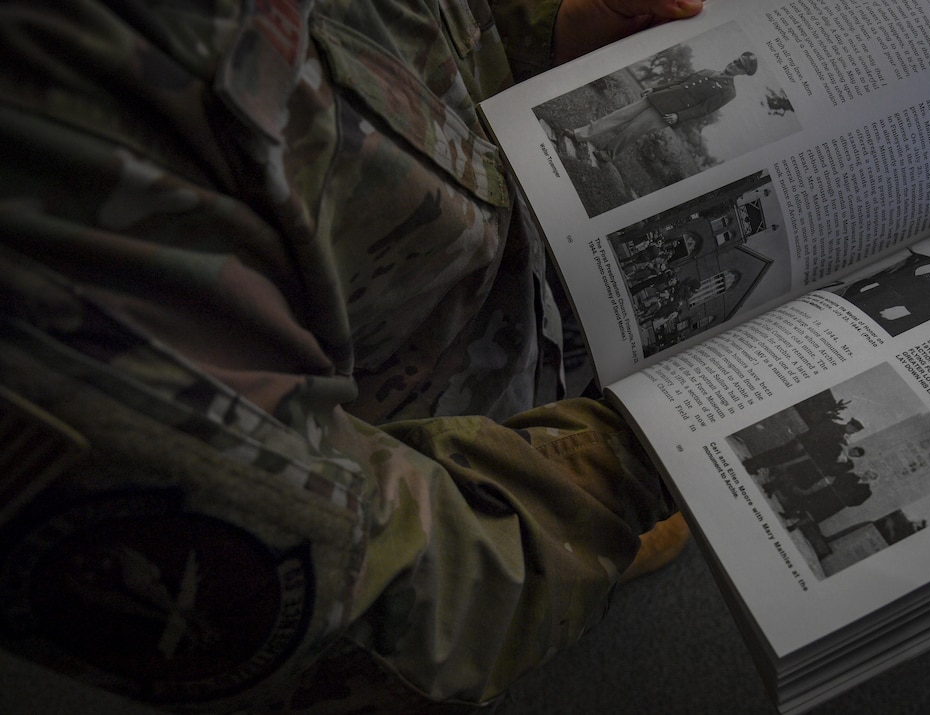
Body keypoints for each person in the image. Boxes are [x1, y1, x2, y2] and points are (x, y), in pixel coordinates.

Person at [0, 1, 705, 713]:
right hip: (420, 479)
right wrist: (634, 458)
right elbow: (377, 601)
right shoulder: (47, 181)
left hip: (494, 332)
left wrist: (543, 32)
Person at [566, 51, 758, 162]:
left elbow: (704, 109)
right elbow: (679, 80)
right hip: (659, 96)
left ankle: (607, 154)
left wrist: (678, 117)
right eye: (735, 61)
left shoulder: (728, 91)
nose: (734, 65)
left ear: (743, 73)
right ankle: (580, 134)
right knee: (618, 116)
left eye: (739, 66)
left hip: (669, 112)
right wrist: (654, 88)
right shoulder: (708, 71)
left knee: (632, 130)